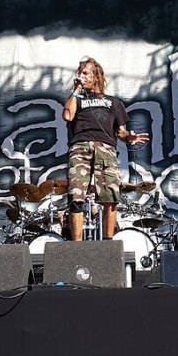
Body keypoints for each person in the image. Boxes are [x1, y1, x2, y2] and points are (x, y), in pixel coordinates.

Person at [62, 56, 149, 241]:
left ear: (96, 76)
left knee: (110, 197)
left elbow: (121, 132)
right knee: (76, 196)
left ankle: (109, 245)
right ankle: (76, 247)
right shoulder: (76, 99)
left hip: (106, 148)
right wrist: (76, 91)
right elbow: (68, 116)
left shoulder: (114, 103)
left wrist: (130, 137)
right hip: (80, 146)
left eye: (85, 73)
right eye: (79, 73)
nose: (81, 76)